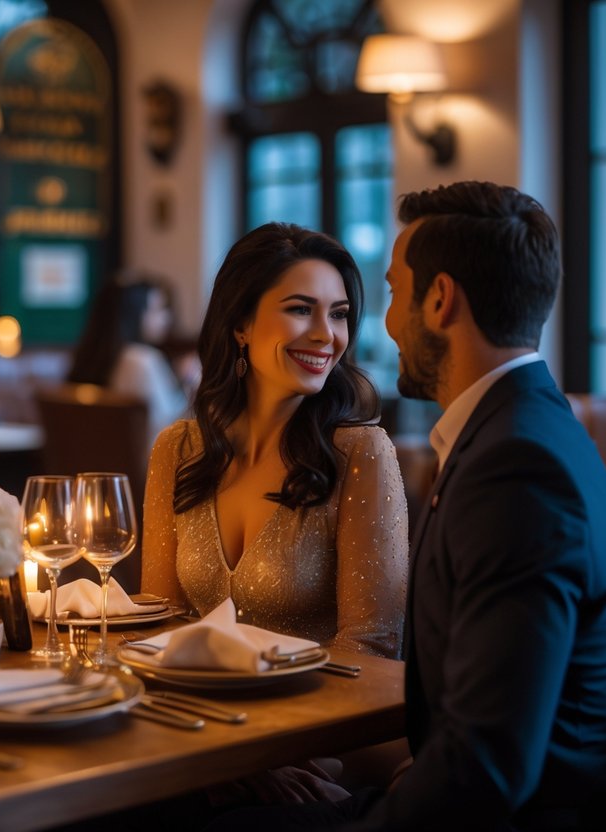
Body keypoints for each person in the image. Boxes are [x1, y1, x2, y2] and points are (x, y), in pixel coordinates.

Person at [214, 183, 606, 832]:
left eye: (389, 293)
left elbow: (488, 771)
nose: (380, 324)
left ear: (437, 300)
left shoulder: (516, 469)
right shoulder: (521, 435)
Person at [141, 222, 408, 655]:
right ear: (241, 323)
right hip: (191, 712)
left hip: (312, 716)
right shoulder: (178, 448)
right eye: (301, 309)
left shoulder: (361, 453)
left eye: (339, 314)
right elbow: (159, 619)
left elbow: (371, 645)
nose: (326, 334)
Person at [67, 272, 193, 448]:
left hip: (96, 467)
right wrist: (191, 381)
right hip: (147, 470)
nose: (166, 318)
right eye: (157, 309)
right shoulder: (142, 360)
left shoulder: (90, 358)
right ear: (134, 314)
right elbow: (168, 432)